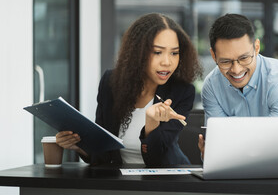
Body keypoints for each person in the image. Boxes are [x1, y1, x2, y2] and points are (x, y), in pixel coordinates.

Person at [56, 13, 202, 166]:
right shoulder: (111, 82)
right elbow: (103, 154)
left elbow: (157, 158)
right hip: (120, 182)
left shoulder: (182, 92)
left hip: (166, 181)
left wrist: (151, 124)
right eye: (157, 52)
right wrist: (79, 147)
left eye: (174, 53)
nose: (167, 62)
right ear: (137, 52)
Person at [198, 14, 278, 168]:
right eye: (226, 61)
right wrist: (213, 153)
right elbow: (220, 139)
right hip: (246, 148)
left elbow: (276, 139)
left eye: (244, 58)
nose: (236, 69)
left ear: (257, 47)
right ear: (214, 55)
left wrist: (226, 151)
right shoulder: (211, 86)